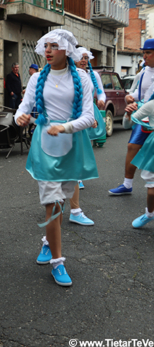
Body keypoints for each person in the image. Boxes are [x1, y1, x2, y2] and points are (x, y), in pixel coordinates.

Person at [15, 29, 96, 287]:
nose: (48, 50)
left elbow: (88, 116)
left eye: (54, 46)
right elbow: (23, 108)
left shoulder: (82, 77)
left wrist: (64, 126)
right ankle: (57, 263)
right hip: (45, 146)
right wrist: (21, 117)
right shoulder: (38, 78)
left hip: (72, 146)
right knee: (52, 204)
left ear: (67, 50)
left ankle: (48, 243)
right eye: (46, 46)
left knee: (61, 204)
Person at [66, 47, 107, 226]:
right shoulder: (58, 75)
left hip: (86, 114)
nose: (83, 60)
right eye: (80, 58)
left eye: (85, 58)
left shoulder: (89, 75)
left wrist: (101, 100)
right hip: (71, 119)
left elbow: (99, 91)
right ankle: (57, 204)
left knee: (82, 151)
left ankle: (74, 208)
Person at [109, 38, 154, 195]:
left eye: (148, 53)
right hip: (145, 118)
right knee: (132, 146)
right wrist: (129, 98)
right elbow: (138, 94)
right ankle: (127, 184)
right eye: (144, 53)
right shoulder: (143, 73)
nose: (144, 56)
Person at [125, 84, 154, 228]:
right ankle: (149, 214)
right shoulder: (151, 105)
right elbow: (126, 124)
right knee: (151, 191)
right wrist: (128, 114)